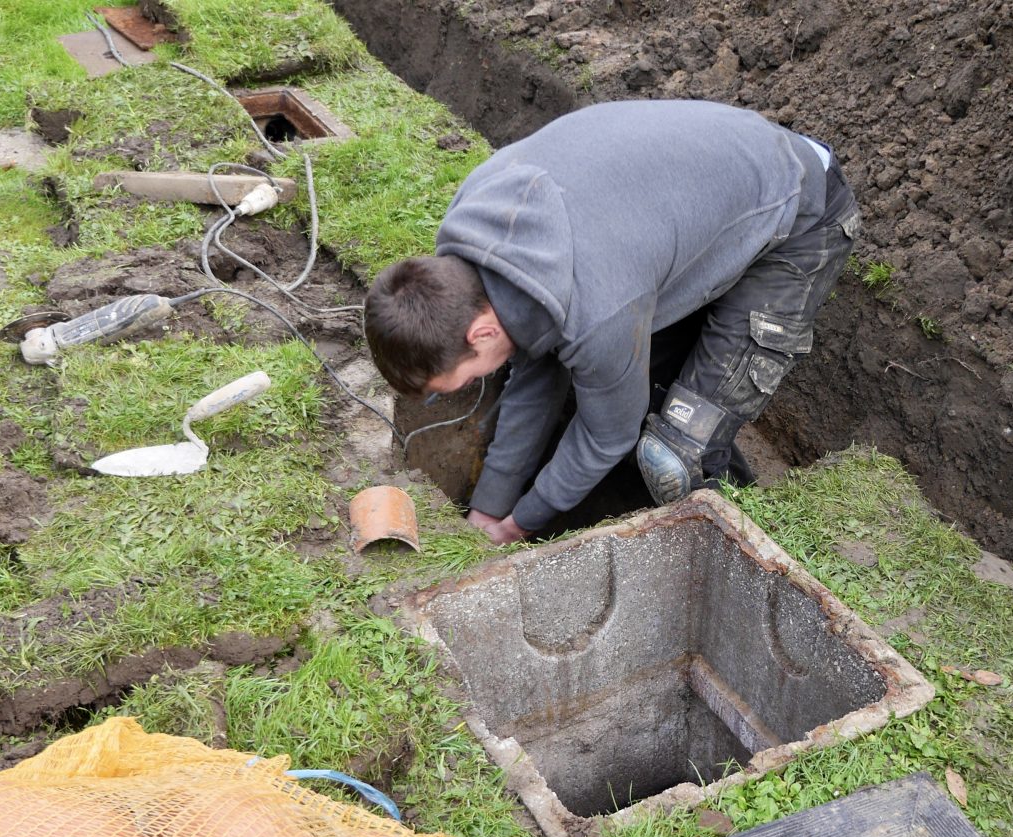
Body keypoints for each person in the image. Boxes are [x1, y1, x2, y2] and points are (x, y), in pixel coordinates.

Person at [362, 99, 859, 544]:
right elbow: (539, 362)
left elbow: (606, 435)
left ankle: (744, 545)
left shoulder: (596, 308)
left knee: (674, 454)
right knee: (631, 387)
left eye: (469, 377)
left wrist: (519, 525)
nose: (478, 380)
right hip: (690, 200)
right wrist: (488, 508)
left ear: (482, 332)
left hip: (795, 208)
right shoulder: (479, 238)